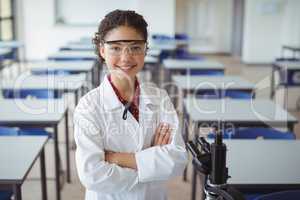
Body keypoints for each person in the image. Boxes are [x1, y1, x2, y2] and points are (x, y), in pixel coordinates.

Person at [73, 9, 187, 200]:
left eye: (135, 47)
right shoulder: (88, 106)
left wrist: (117, 158)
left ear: (145, 50)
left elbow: (177, 160)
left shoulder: (160, 97)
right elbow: (92, 175)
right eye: (115, 48)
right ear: (102, 50)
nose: (126, 58)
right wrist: (150, 165)